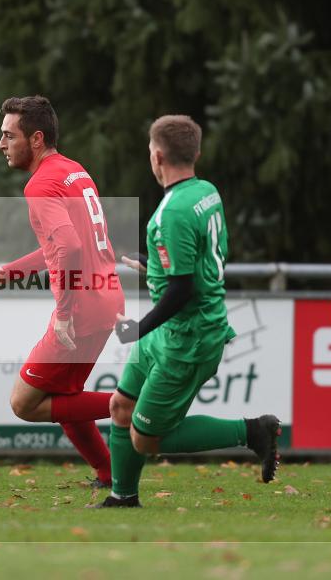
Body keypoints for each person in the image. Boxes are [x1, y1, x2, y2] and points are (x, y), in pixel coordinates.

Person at [96, 115, 280, 508]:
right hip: (173, 330)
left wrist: (135, 330)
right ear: (195, 152)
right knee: (120, 406)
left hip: (188, 336)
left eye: (149, 150)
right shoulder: (206, 191)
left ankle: (252, 431)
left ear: (157, 156)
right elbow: (194, 265)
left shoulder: (170, 214)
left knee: (144, 439)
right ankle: (122, 497)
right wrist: (156, 266)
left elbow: (182, 289)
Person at [0, 96, 125, 487]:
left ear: (35, 138)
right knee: (66, 396)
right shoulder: (73, 170)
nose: (1, 143)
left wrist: (63, 312)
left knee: (24, 403)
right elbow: (62, 245)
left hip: (83, 307)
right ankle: (109, 472)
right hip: (105, 299)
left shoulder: (40, 184)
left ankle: (136, 404)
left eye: (9, 135)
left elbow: (70, 248)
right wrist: (7, 272)